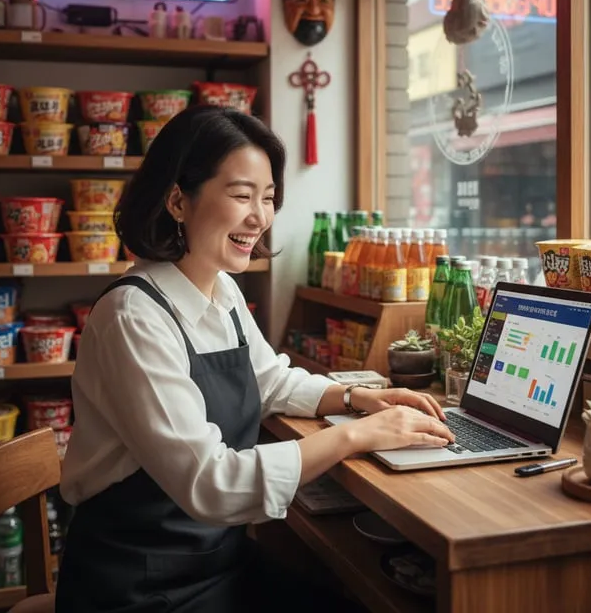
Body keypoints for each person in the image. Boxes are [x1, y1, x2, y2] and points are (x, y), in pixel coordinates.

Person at [56, 105, 454, 613]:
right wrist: (355, 435)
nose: (260, 217)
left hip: (215, 560)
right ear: (178, 199)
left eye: (267, 198)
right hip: (139, 583)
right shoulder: (133, 317)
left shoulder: (219, 288)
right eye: (242, 195)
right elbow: (212, 484)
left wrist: (357, 397)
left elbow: (270, 381)